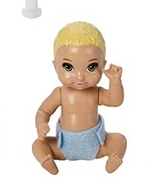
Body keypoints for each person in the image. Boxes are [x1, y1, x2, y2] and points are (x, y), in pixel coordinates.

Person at [33, 21, 126, 173]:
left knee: (119, 140)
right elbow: (43, 111)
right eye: (68, 67)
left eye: (91, 67)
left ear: (102, 65)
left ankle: (113, 157)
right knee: (38, 145)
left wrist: (115, 82)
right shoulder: (60, 93)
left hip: (98, 145)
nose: (80, 76)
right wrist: (41, 124)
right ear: (55, 66)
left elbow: (115, 101)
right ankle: (47, 159)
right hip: (62, 146)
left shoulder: (96, 92)